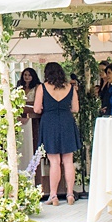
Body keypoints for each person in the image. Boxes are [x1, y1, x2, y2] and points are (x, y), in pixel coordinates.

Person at [33, 61, 80, 205]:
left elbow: (36, 109)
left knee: (54, 161)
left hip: (50, 122)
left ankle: (53, 196)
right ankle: (70, 194)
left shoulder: (42, 88)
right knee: (68, 160)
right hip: (66, 121)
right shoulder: (70, 87)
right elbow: (76, 109)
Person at [16, 67, 42, 173]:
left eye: (29, 75)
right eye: (25, 75)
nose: (27, 77)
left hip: (34, 117)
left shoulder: (37, 87)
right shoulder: (19, 86)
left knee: (34, 141)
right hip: (20, 116)